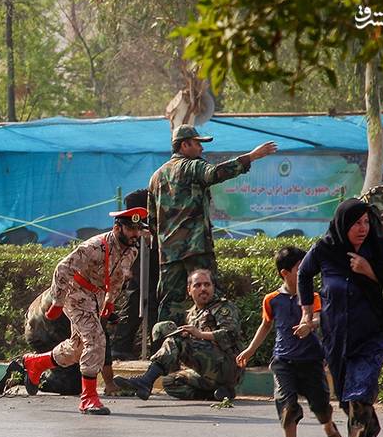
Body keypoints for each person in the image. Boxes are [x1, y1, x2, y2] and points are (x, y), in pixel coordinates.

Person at [298, 198, 383, 437]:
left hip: (371, 335)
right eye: (356, 223)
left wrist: (370, 271)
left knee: (359, 393)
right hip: (336, 338)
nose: (362, 228)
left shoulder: (377, 249)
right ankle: (370, 426)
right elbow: (304, 273)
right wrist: (306, 311)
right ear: (343, 224)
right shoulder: (325, 249)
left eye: (366, 223)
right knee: (347, 399)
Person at [12, 207, 146, 415]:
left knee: (77, 348)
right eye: (130, 229)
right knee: (96, 340)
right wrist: (58, 302)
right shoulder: (95, 246)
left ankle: (35, 363)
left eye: (138, 229)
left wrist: (110, 301)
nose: (135, 234)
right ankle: (88, 399)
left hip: (96, 296)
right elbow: (63, 268)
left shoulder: (132, 250)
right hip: (76, 293)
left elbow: (119, 276)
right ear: (117, 227)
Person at [148, 124, 277, 325]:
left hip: (168, 254)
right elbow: (216, 173)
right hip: (196, 249)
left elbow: (152, 220)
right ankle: (208, 347)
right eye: (198, 144)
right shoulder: (191, 166)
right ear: (184, 145)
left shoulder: (156, 177)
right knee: (207, 298)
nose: (202, 149)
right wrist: (251, 157)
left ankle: (165, 351)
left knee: (169, 305)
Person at [236, 246, 345, 437]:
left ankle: (329, 429)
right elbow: (265, 326)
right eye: (300, 268)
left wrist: (310, 324)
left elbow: (319, 318)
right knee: (287, 408)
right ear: (285, 273)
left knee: (321, 407)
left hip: (312, 360)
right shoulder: (272, 300)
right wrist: (250, 350)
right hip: (283, 361)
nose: (306, 273)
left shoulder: (314, 297)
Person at [113, 268, 244, 401]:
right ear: (189, 290)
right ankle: (219, 394)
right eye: (197, 285)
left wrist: (198, 334)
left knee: (178, 340)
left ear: (213, 287)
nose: (203, 288)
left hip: (227, 367)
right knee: (170, 382)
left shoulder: (223, 307)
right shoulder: (192, 313)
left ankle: (146, 381)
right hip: (206, 369)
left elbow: (230, 334)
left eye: (207, 284)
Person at [0, 289, 119, 396]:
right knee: (71, 386)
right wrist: (110, 384)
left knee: (78, 371)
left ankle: (32, 367)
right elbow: (99, 341)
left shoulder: (87, 282)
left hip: (41, 324)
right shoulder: (89, 300)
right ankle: (23, 374)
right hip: (44, 332)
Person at [110, 189, 160, 360]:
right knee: (143, 299)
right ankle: (122, 347)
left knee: (149, 299)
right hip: (143, 256)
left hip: (155, 257)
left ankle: (156, 348)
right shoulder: (145, 197)